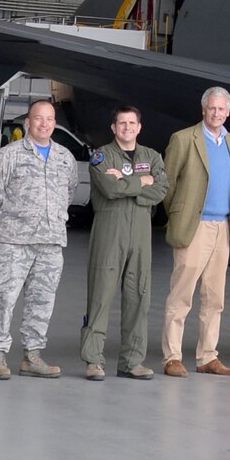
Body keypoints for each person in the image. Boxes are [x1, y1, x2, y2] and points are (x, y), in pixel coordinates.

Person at [0, 98, 80, 380]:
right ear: (28, 122)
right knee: (4, 297)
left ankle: (32, 356)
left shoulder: (65, 158)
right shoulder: (9, 154)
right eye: (39, 118)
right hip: (14, 241)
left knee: (42, 301)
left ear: (55, 123)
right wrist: (11, 221)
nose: (44, 123)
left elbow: (69, 192)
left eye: (49, 119)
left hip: (50, 242)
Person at [79, 103, 170, 382]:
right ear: (113, 128)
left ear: (139, 127)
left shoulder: (152, 156)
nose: (127, 128)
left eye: (132, 123)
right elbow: (109, 189)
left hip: (141, 232)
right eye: (122, 124)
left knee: (138, 296)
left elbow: (161, 189)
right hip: (110, 229)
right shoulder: (102, 156)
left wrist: (127, 181)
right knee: (101, 296)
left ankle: (132, 361)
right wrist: (141, 181)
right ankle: (94, 360)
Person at [161, 87, 230, 377]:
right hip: (195, 227)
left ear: (228, 112)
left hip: (222, 227)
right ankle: (172, 357)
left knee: (214, 297)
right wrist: (181, 216)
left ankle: (207, 356)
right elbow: (167, 184)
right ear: (203, 109)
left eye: (221, 109)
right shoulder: (183, 139)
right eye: (212, 108)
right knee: (181, 295)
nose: (216, 113)